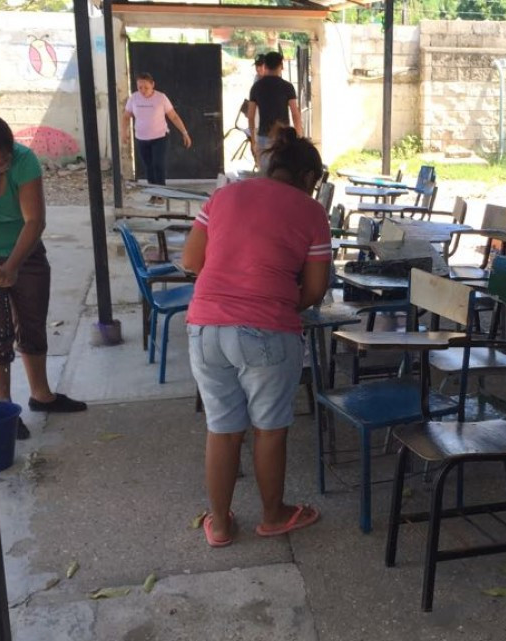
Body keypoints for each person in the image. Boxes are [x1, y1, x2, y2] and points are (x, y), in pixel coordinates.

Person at [182, 127, 330, 548]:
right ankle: (273, 515)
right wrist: (279, 303)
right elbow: (315, 291)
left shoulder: (224, 196)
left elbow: (192, 260)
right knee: (269, 428)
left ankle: (222, 526)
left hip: (205, 327)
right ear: (308, 179)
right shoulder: (310, 211)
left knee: (222, 428)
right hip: (268, 329)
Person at [0, 102, 87, 440]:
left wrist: (11, 266)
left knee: (31, 322)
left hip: (24, 251)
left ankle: (42, 395)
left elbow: (35, 220)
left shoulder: (24, 159)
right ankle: (5, 407)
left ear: (9, 154)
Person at [120, 72, 193, 205]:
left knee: (158, 165)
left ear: (153, 85)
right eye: (140, 87)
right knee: (148, 167)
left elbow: (173, 116)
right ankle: (153, 193)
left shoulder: (161, 98)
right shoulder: (134, 98)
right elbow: (126, 116)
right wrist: (123, 132)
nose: (143, 90)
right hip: (141, 138)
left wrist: (184, 132)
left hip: (160, 137)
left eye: (146, 87)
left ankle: (161, 194)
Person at [247, 52, 302, 170]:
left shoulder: (256, 87)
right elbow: (295, 114)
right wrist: (299, 136)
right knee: (282, 173)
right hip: (283, 138)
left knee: (264, 175)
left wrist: (253, 140)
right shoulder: (287, 87)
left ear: (265, 66)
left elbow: (250, 116)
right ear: (281, 66)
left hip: (263, 136)